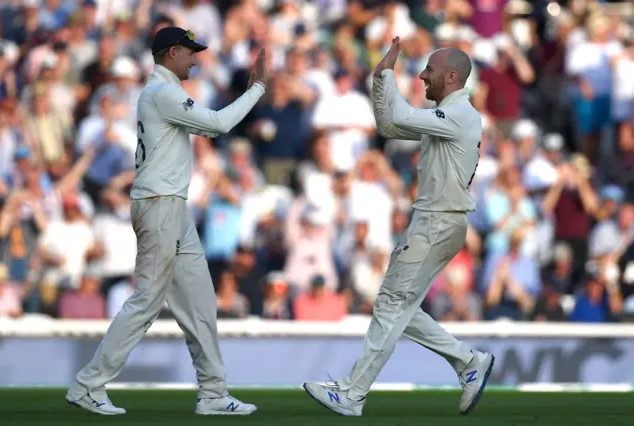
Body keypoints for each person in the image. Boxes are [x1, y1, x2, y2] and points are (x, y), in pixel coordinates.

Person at [65, 26, 269, 416]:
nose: (196, 59)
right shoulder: (164, 92)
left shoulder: (161, 92)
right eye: (191, 52)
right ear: (172, 52)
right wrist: (257, 88)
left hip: (173, 207)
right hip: (159, 205)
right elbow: (218, 124)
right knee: (147, 301)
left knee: (201, 301)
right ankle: (88, 385)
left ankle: (213, 393)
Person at [303, 38, 494, 416]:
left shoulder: (459, 115)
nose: (423, 76)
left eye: (430, 71)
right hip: (438, 222)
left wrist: (389, 74)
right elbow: (389, 126)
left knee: (391, 304)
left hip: (436, 223)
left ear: (452, 77)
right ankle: (468, 362)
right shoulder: (446, 116)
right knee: (398, 308)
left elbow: (402, 116)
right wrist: (379, 80)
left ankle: (353, 394)